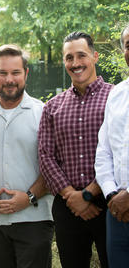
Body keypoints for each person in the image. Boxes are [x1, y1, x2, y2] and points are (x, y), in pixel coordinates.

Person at [0, 44, 54, 268]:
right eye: (3, 73)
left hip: (35, 217)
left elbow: (54, 166)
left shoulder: (44, 113)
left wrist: (29, 197)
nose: (9, 79)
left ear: (26, 74)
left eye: (15, 72)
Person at [38, 31, 112, 268]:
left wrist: (89, 193)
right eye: (69, 57)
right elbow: (45, 156)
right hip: (67, 206)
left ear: (95, 56)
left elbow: (121, 153)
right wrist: (72, 196)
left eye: (81, 55)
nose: (75, 63)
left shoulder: (117, 97)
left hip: (110, 203)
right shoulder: (53, 106)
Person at [95, 23, 129, 268]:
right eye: (128, 45)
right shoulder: (116, 94)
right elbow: (103, 151)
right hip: (117, 210)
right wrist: (112, 194)